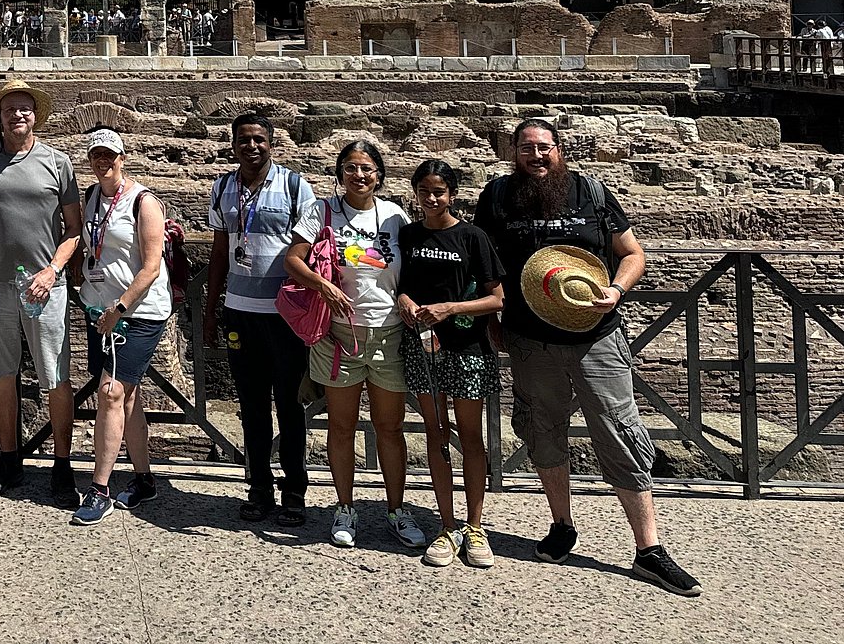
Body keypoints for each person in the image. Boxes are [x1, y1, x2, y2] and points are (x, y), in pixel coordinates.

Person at [475, 119, 702, 596]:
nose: (536, 155)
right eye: (526, 148)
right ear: (513, 151)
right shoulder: (496, 196)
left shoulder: (591, 193)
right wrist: (490, 319)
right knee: (541, 428)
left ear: (559, 149)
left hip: (596, 338)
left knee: (619, 430)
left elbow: (633, 253)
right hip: (530, 340)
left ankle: (649, 548)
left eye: (544, 147)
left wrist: (616, 290)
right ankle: (561, 525)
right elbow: (483, 261)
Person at [284, 140, 422, 550]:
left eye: (366, 168)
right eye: (350, 167)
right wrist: (323, 285)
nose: (358, 175)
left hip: (388, 333)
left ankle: (396, 509)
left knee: (390, 428)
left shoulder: (395, 215)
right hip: (338, 336)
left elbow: (411, 269)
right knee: (341, 427)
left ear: (379, 174)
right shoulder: (322, 211)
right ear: (340, 172)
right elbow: (293, 259)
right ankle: (344, 508)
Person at [0, 78, 82, 503]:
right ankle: (9, 459)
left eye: (24, 108)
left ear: (35, 116)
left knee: (56, 377)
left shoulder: (57, 162)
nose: (17, 114)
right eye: (9, 108)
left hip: (44, 286)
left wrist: (52, 270)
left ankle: (62, 465)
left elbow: (73, 229)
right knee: (0, 375)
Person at [202, 110, 313, 524]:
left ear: (271, 143)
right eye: (244, 140)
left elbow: (310, 251)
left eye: (259, 139)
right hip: (240, 313)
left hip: (285, 316)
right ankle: (259, 487)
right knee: (251, 406)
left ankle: (295, 491)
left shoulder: (295, 186)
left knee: (289, 405)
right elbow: (219, 253)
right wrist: (211, 311)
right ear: (233, 145)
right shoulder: (222, 187)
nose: (251, 146)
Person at [396, 158, 505, 567]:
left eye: (439, 192)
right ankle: (446, 525)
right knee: (435, 432)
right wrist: (405, 301)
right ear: (416, 193)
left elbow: (497, 299)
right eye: (424, 191)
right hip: (422, 348)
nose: (431, 198)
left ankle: (474, 526)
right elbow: (399, 284)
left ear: (452, 194)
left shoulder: (472, 237)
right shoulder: (408, 235)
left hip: (466, 347)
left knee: (470, 436)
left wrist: (449, 307)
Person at [70, 129, 171, 525]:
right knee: (127, 397)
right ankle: (144, 479)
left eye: (109, 154)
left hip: (138, 313)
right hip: (100, 310)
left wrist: (120, 307)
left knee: (110, 392)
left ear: (122, 158)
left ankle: (99, 490)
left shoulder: (144, 202)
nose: (103, 161)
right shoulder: (92, 195)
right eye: (96, 154)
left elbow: (151, 267)